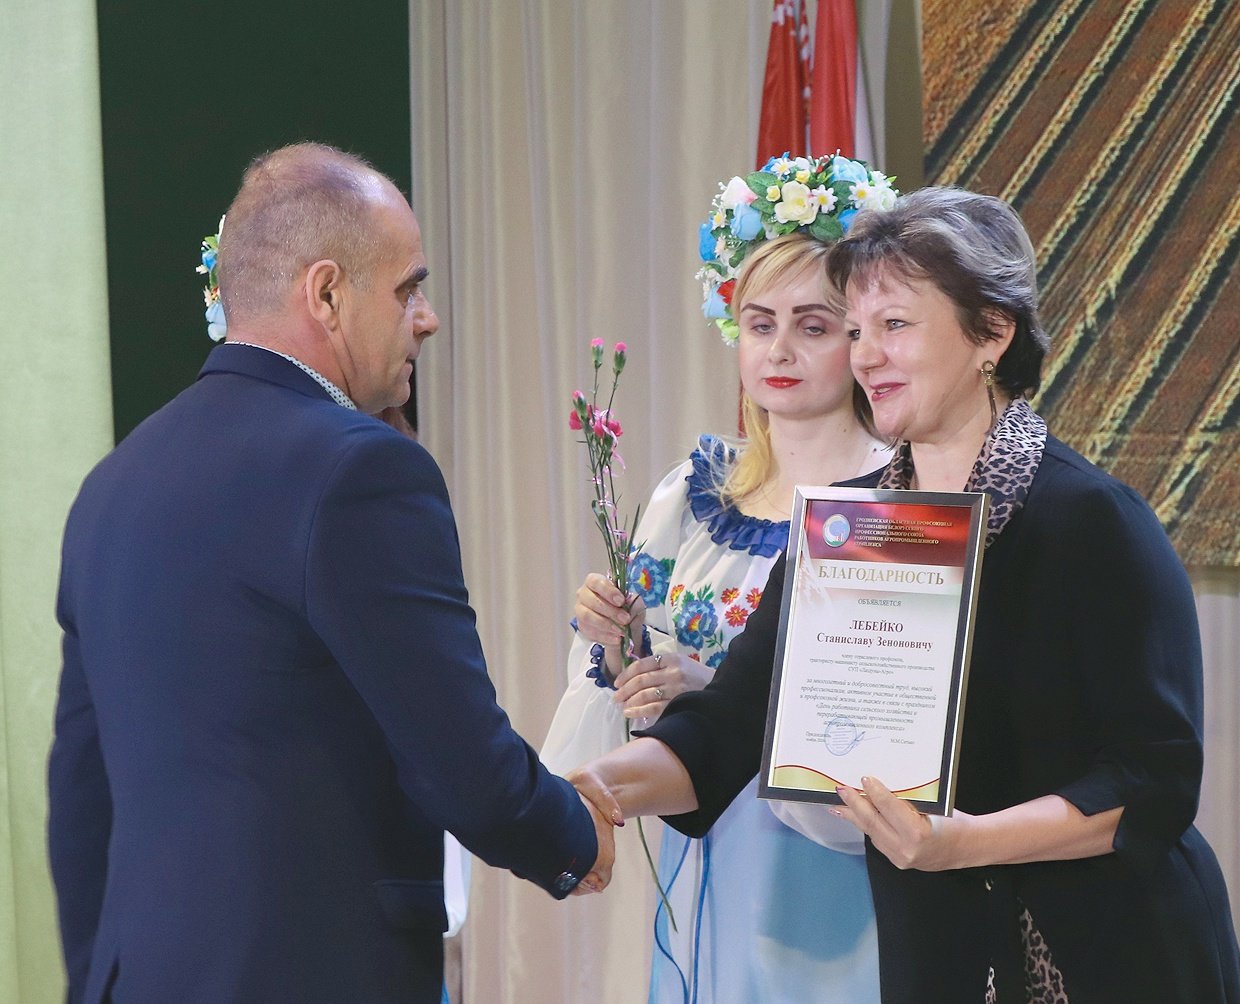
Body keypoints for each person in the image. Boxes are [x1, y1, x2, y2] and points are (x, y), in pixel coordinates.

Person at [569, 187, 1240, 1002]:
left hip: (1109, 956)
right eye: (856, 331)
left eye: (895, 325)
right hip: (944, 956)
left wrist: (965, 842)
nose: (866, 357)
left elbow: (1152, 781)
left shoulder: (1092, 520)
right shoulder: (848, 528)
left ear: (992, 331)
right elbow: (725, 726)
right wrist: (591, 790)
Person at [48, 141, 613, 1004]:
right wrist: (573, 837)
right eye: (408, 288)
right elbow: (456, 756)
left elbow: (81, 795)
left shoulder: (111, 485)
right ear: (326, 294)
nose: (426, 317)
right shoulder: (359, 469)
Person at [543, 155, 895, 1003]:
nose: (780, 350)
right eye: (760, 323)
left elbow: (888, 719)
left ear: (860, 338)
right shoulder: (692, 497)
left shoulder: (893, 506)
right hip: (710, 849)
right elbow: (623, 696)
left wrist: (717, 697)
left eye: (814, 326)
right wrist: (614, 645)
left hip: (839, 863)